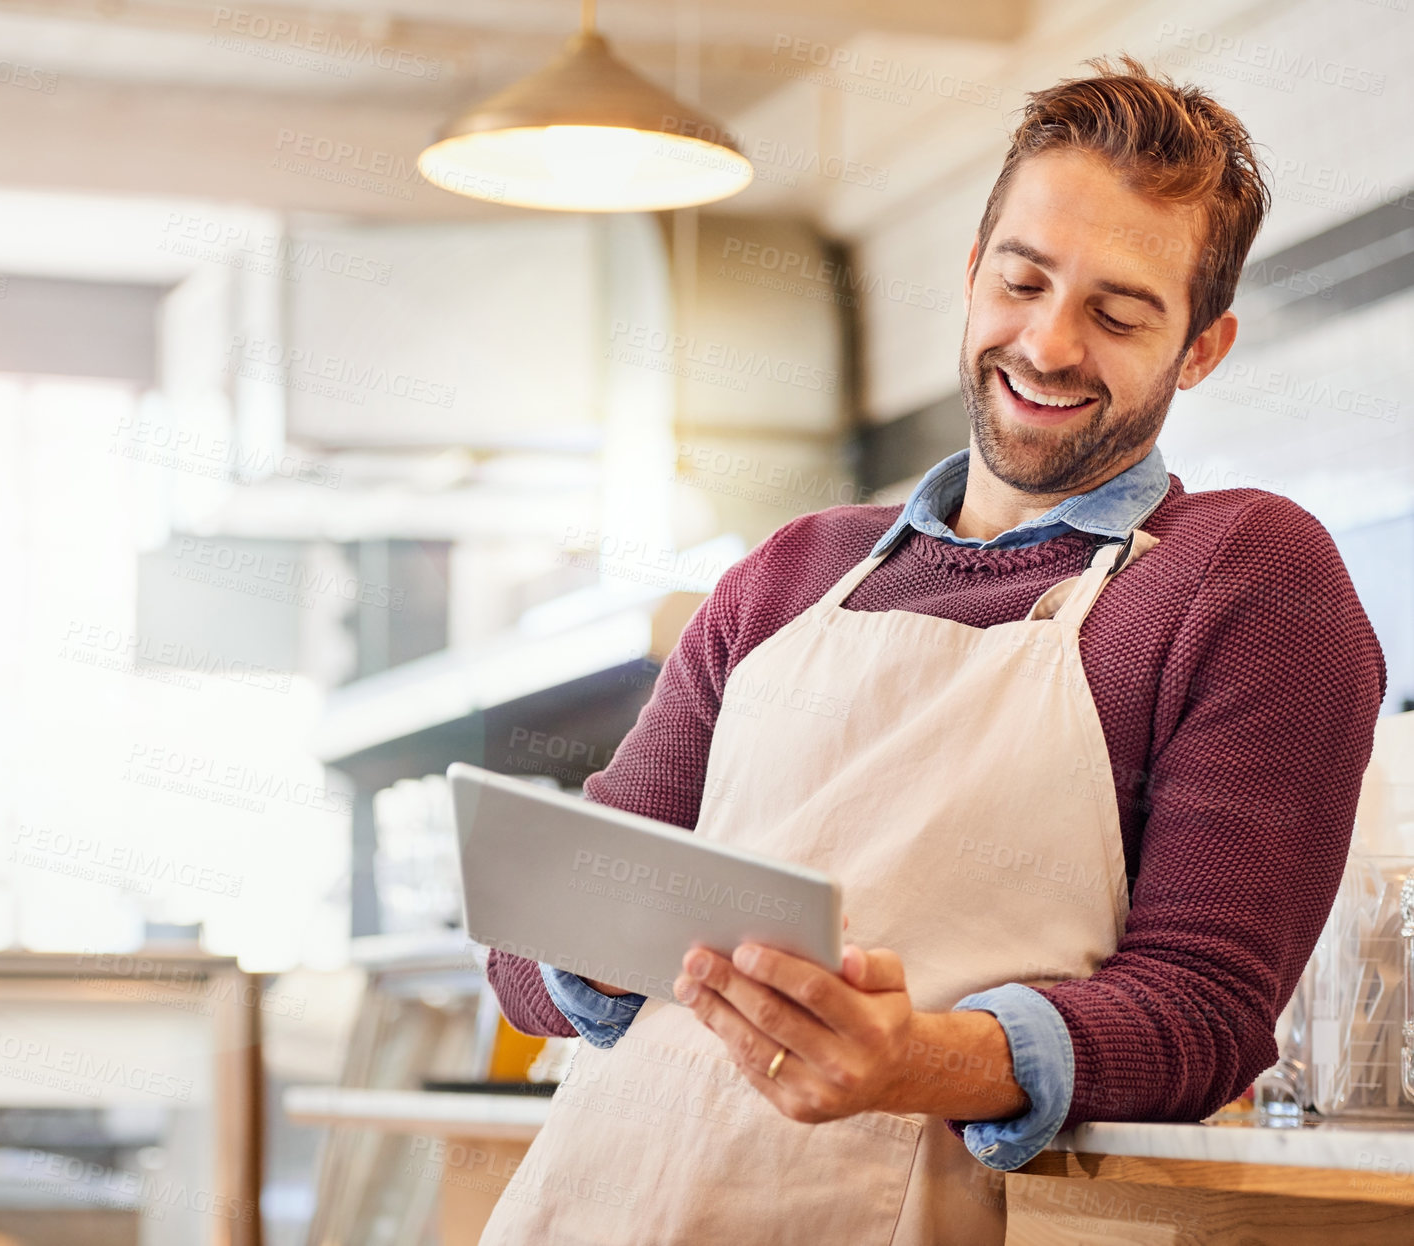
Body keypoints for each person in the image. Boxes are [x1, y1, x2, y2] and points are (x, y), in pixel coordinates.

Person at [480, 56, 1386, 1245]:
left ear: (1201, 348)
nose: (1048, 345)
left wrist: (919, 1058)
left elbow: (1203, 1010)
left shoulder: (1242, 574)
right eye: (1021, 281)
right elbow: (529, 949)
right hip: (603, 1198)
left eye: (1117, 314)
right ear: (969, 277)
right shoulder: (791, 569)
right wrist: (594, 948)